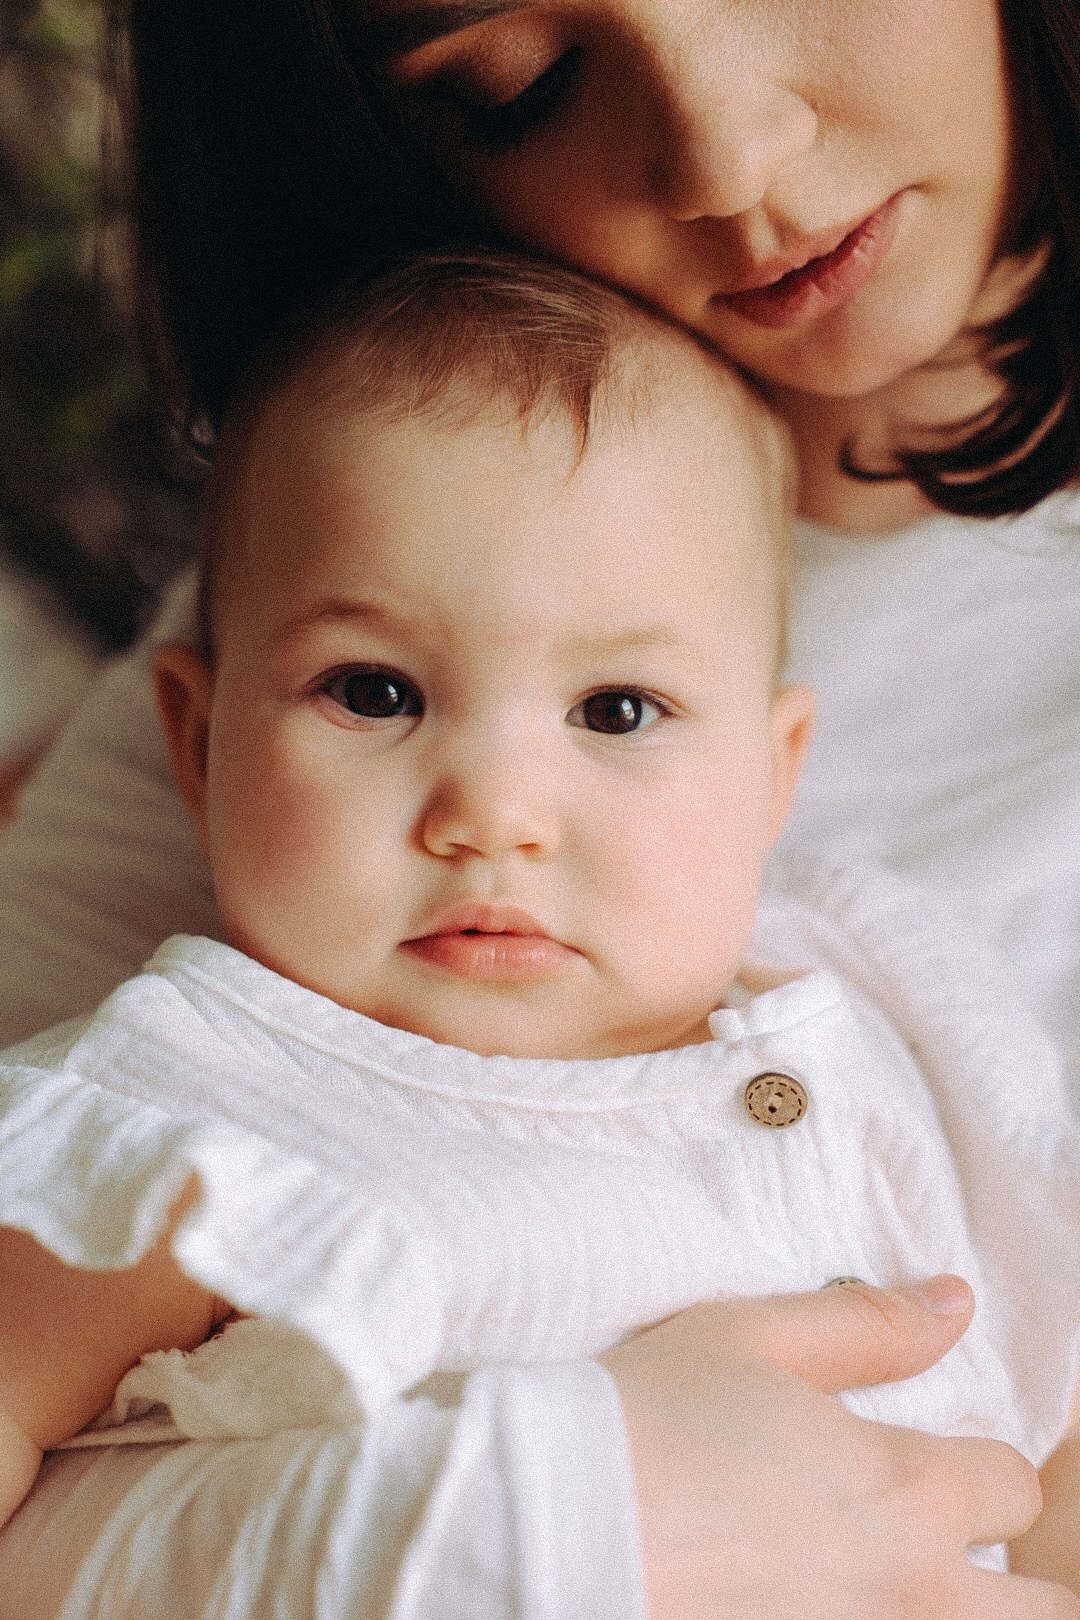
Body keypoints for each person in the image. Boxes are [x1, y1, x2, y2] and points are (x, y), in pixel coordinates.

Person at [1, 0, 1078, 1614]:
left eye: (620, 713)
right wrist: (493, 1529)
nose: (733, 160)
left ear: (777, 769)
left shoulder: (876, 1001)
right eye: (523, 85)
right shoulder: (185, 1117)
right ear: (198, 737)